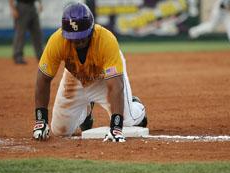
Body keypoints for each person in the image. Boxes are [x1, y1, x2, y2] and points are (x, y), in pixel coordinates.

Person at [32, 2, 147, 142]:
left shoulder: (106, 40)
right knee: (59, 130)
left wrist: (116, 127)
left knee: (126, 121)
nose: (78, 41)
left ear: (91, 28)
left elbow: (115, 85)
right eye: (73, 38)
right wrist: (41, 120)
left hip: (104, 77)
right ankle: (85, 113)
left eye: (82, 36)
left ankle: (136, 106)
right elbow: (43, 79)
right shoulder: (57, 41)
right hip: (75, 78)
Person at [9, 0, 43, 64]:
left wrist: (40, 3)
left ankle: (40, 55)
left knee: (37, 33)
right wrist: (12, 9)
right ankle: (17, 56)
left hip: (32, 6)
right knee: (20, 33)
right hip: (21, 6)